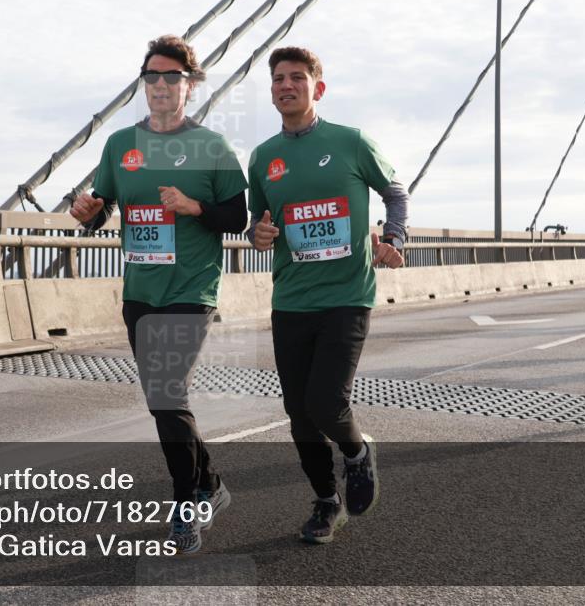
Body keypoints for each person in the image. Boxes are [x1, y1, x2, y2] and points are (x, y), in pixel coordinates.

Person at [69, 35, 248, 553]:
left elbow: (235, 217)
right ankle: (209, 484)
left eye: (173, 77)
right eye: (153, 77)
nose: (162, 85)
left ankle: (186, 505)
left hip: (192, 288)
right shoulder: (119, 144)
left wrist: (195, 207)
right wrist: (89, 215)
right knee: (163, 401)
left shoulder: (211, 146)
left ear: (189, 86)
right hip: (141, 290)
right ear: (143, 84)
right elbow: (103, 206)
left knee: (168, 394)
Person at [247, 46, 408, 543]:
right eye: (278, 79)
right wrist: (258, 234)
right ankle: (325, 501)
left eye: (296, 77)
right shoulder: (263, 158)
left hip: (346, 296)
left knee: (325, 402)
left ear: (318, 88)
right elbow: (257, 220)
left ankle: (357, 453)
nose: (286, 85)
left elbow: (395, 192)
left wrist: (394, 238)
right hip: (291, 299)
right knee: (299, 414)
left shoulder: (351, 142)